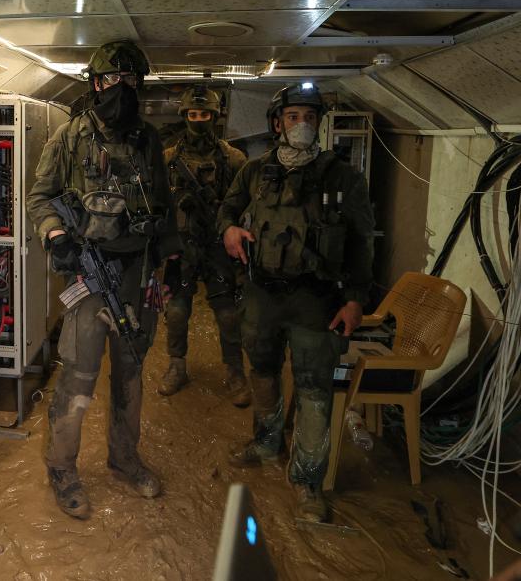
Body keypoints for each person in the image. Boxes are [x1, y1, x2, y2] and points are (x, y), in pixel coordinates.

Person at [26, 40, 176, 520]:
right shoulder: (70, 138)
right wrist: (55, 235)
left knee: (131, 372)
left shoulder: (148, 141)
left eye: (132, 82)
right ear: (96, 84)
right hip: (90, 279)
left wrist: (170, 266)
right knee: (79, 375)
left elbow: (164, 209)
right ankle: (62, 468)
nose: (123, 91)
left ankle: (124, 457)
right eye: (114, 81)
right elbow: (39, 197)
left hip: (136, 275)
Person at [217, 84, 374, 522]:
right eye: (292, 117)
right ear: (276, 122)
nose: (301, 124)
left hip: (316, 299)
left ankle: (308, 482)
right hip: (263, 295)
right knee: (263, 373)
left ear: (319, 122)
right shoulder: (253, 171)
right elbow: (226, 212)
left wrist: (356, 299)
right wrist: (229, 229)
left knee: (313, 391)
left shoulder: (344, 178)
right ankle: (267, 442)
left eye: (308, 116)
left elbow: (362, 243)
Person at [158, 86, 250, 407]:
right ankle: (177, 366)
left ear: (215, 117)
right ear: (185, 116)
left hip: (217, 247)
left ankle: (235, 372)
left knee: (227, 314)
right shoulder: (169, 159)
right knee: (177, 310)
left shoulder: (234, 159)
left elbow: (246, 207)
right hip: (182, 246)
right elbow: (158, 207)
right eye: (194, 115)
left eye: (205, 114)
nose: (199, 120)